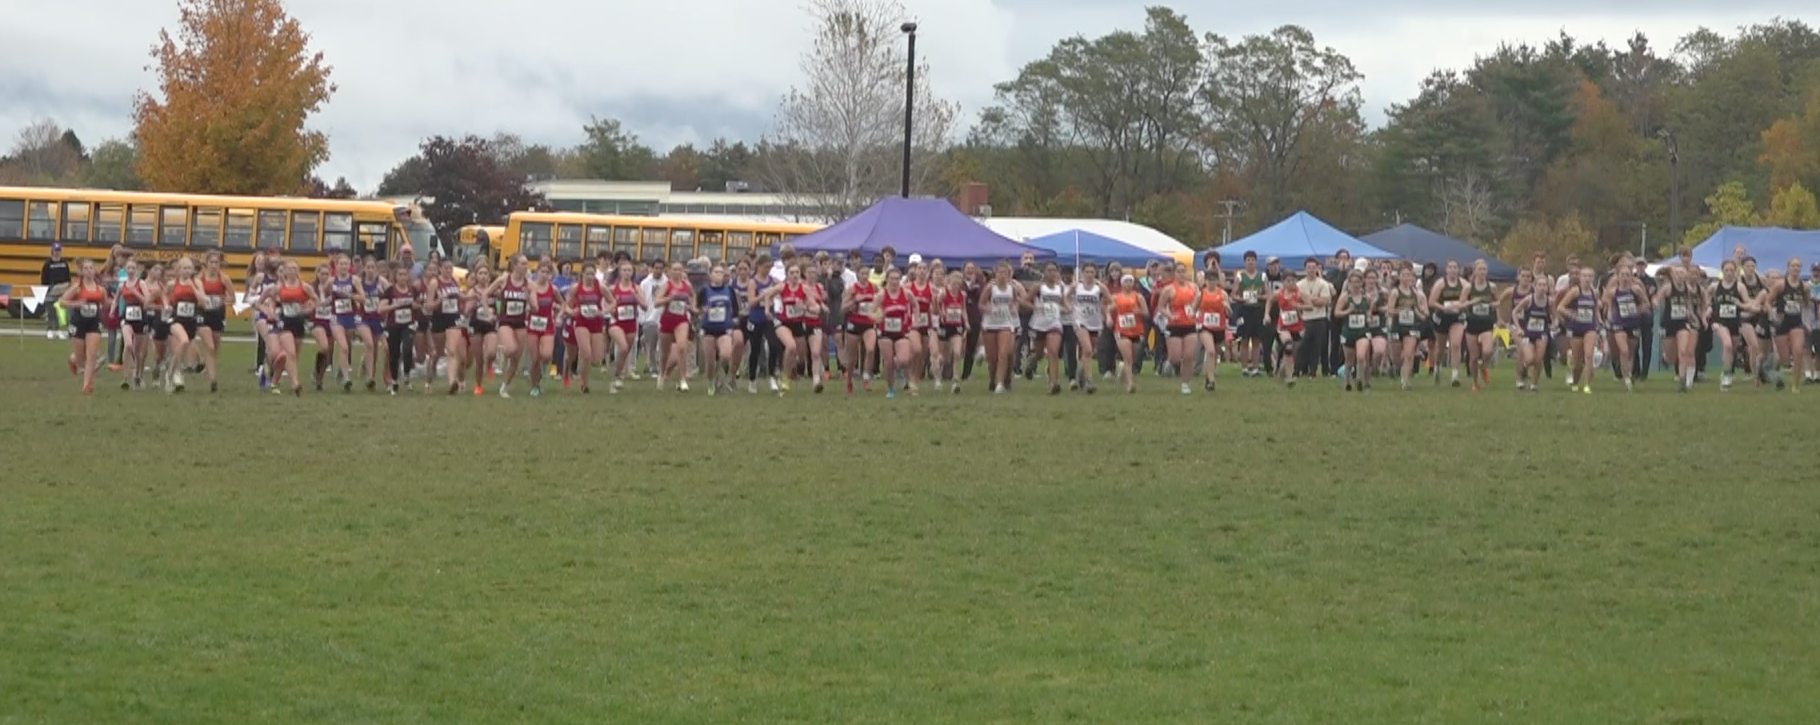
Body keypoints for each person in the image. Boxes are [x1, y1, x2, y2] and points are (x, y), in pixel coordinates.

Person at [55, 258, 110, 394]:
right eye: (86, 268)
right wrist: (76, 304)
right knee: (80, 358)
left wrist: (116, 302)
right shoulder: (77, 287)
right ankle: (72, 360)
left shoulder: (100, 289)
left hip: (93, 322)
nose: (89, 271)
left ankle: (86, 386)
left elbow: (106, 303)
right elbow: (61, 302)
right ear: (81, 271)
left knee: (91, 355)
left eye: (91, 268)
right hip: (78, 322)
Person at [979, 261, 1024, 394]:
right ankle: (993, 379)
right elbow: (981, 304)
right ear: (995, 273)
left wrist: (1014, 308)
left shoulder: (1012, 288)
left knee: (1003, 353)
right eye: (1000, 273)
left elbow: (1015, 300)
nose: (1003, 275)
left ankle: (1000, 383)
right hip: (990, 324)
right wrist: (989, 309)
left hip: (1006, 323)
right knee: (992, 357)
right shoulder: (990, 288)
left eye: (1005, 273)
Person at [696, 264, 740, 395]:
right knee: (710, 362)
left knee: (726, 355)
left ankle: (722, 379)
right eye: (716, 272)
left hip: (724, 328)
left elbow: (735, 309)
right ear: (710, 275)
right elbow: (696, 307)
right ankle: (711, 383)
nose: (719, 274)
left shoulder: (729, 290)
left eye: (722, 272)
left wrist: (735, 320)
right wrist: (700, 312)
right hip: (708, 329)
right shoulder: (704, 290)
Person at [1028, 262, 1070, 395]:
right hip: (1039, 323)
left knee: (1053, 352)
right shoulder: (1038, 287)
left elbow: (1063, 303)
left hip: (1054, 323)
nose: (1052, 273)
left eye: (1054, 270)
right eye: (1049, 270)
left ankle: (1054, 383)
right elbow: (1024, 300)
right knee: (1039, 353)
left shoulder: (1060, 288)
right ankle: (1032, 362)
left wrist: (1067, 309)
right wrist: (1035, 307)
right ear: (1044, 272)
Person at [1292, 259, 1333, 381]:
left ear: (1317, 269)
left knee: (1317, 347)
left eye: (1313, 267)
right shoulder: (1299, 285)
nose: (1311, 270)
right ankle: (1297, 370)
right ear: (1305, 269)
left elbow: (1325, 301)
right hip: (1305, 319)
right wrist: (1313, 300)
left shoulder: (1323, 284)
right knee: (1303, 347)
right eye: (1309, 267)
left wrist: (1308, 300)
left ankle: (1313, 372)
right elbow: (1296, 301)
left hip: (1319, 319)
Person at [1109, 273, 1149, 393]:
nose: (1128, 284)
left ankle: (1122, 369)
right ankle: (1130, 384)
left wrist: (1139, 311)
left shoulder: (1138, 297)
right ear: (1121, 284)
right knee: (1128, 358)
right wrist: (1109, 316)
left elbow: (1146, 313)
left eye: (1130, 282)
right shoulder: (1116, 297)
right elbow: (1107, 308)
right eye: (1126, 282)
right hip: (1121, 330)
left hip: (1136, 330)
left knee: (1134, 356)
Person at [1068, 265, 1104, 394]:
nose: (1089, 274)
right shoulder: (1076, 287)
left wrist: (1106, 312)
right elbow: (1065, 297)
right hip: (1080, 321)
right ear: (1082, 273)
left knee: (1089, 352)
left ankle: (1080, 373)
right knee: (1087, 349)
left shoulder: (1099, 287)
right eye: (1087, 272)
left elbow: (1110, 301)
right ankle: (1089, 381)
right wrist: (1070, 308)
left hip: (1095, 322)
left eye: (1092, 272)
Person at [41, 242, 71, 340]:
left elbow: (68, 277)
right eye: (55, 251)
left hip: (62, 290)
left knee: (60, 312)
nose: (57, 253)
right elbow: (44, 278)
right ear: (52, 251)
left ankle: (58, 331)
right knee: (50, 312)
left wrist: (66, 287)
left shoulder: (64, 263)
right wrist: (48, 289)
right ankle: (49, 330)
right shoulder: (47, 264)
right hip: (51, 290)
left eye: (59, 251)